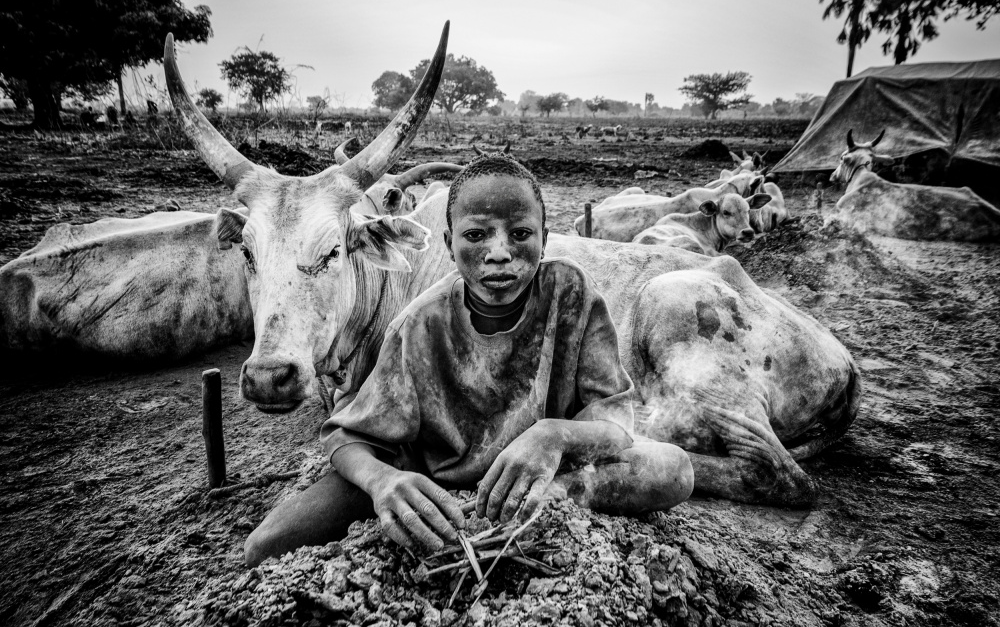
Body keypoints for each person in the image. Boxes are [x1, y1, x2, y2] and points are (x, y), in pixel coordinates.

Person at [244, 153, 694, 567]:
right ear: (448, 242)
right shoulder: (417, 324)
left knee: (674, 471)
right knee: (265, 544)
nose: (499, 252)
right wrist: (384, 484)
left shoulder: (572, 293)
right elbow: (347, 437)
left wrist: (552, 435)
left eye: (520, 234)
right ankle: (477, 510)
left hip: (549, 471)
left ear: (545, 238)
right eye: (476, 235)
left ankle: (533, 503)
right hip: (429, 482)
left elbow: (616, 427)